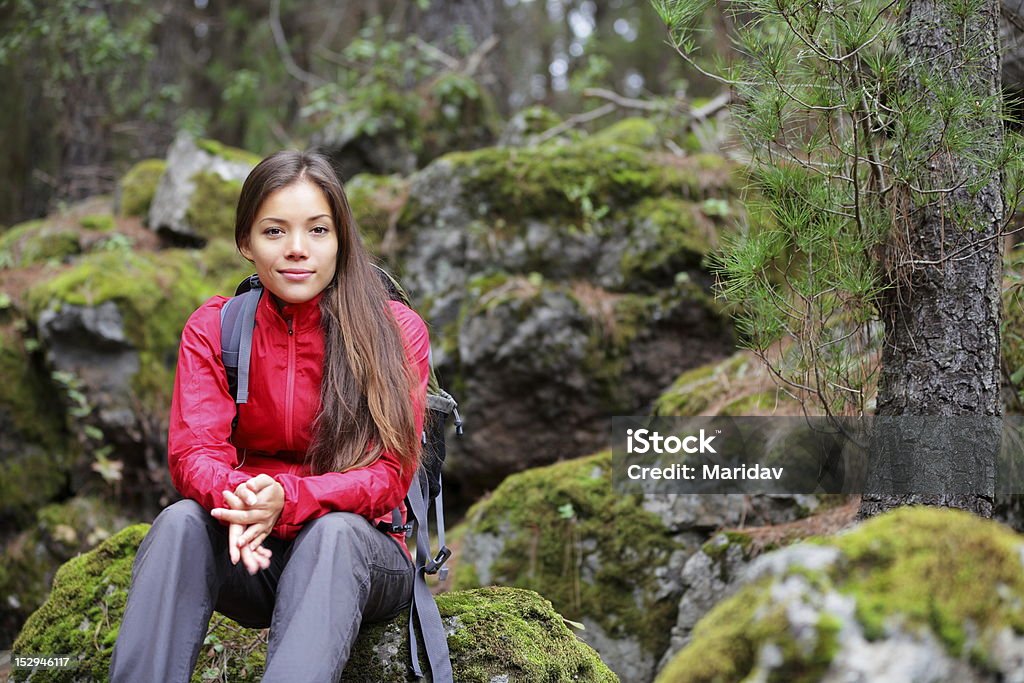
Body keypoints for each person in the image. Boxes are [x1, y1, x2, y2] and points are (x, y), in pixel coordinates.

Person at [109, 150, 430, 682]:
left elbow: (390, 475)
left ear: (341, 239)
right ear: (246, 243)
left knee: (334, 536)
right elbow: (194, 454)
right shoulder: (216, 328)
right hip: (253, 548)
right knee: (181, 523)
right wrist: (248, 502)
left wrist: (292, 502)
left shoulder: (394, 332)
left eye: (318, 230)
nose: (298, 250)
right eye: (275, 231)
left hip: (360, 554)